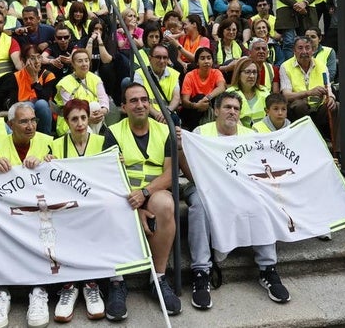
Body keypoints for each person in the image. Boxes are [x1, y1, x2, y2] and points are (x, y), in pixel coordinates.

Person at [182, 91, 290, 309]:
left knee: (262, 200)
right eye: (227, 107)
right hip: (204, 186)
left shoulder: (249, 134)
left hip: (239, 188)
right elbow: (188, 163)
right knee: (200, 206)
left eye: (236, 108)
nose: (232, 111)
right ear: (216, 111)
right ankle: (201, 271)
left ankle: (268, 269)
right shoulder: (200, 132)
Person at [102, 83, 182, 319]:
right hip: (123, 196)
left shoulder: (165, 130)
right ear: (124, 107)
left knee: (166, 204)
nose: (140, 105)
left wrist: (145, 195)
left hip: (151, 193)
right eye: (133, 101)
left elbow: (169, 174)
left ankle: (157, 278)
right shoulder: (113, 132)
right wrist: (135, 210)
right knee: (109, 206)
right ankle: (116, 281)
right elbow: (109, 175)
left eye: (144, 100)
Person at [0, 102, 55, 328]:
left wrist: (48, 164)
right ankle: (0, 292)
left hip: (43, 210)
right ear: (10, 124)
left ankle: (39, 289)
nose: (30, 125)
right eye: (24, 121)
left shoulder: (50, 143)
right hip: (11, 213)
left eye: (33, 120)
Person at [47, 99, 107, 323]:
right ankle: (69, 286)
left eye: (83, 117)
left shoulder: (103, 141)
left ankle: (92, 284)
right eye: (74, 119)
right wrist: (47, 162)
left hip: (94, 206)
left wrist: (116, 161)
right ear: (66, 122)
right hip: (67, 207)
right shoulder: (56, 145)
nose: (80, 123)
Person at [280, 36, 339, 144]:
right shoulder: (285, 66)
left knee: (335, 106)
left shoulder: (321, 66)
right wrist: (309, 93)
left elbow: (328, 88)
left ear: (313, 50)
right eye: (300, 48)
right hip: (297, 110)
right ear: (294, 50)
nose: (304, 51)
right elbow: (286, 95)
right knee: (300, 105)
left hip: (318, 107)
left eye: (307, 48)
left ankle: (337, 149)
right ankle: (312, 141)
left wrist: (331, 97)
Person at [55, 49, 109, 135]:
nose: (84, 64)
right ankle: (93, 140)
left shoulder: (95, 79)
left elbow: (103, 100)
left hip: (93, 118)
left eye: (86, 60)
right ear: (73, 64)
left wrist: (102, 111)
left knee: (95, 106)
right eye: (80, 61)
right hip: (73, 121)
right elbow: (70, 109)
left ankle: (94, 138)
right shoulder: (64, 83)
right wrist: (86, 117)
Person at [10, 44, 56, 135]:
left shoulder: (48, 75)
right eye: (32, 58)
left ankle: (46, 138)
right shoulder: (17, 76)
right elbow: (11, 99)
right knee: (27, 105)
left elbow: (44, 98)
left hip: (44, 112)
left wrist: (35, 78)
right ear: (24, 60)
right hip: (22, 112)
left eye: (38, 57)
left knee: (41, 103)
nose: (36, 62)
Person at [180, 46, 226, 131]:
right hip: (193, 110)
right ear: (197, 62)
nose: (206, 61)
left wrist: (207, 98)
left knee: (219, 98)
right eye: (202, 58)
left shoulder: (216, 72)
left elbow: (222, 87)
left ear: (212, 61)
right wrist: (196, 105)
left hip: (210, 105)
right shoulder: (190, 75)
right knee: (199, 97)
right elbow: (185, 101)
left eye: (209, 58)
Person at [133, 44, 181, 124]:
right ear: (150, 58)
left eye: (165, 58)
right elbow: (139, 98)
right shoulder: (140, 73)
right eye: (158, 57)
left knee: (174, 119)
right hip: (147, 112)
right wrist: (157, 115)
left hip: (167, 112)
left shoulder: (174, 74)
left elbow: (176, 97)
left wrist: (167, 111)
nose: (162, 61)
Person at [227, 56, 270, 128]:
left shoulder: (264, 91)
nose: (252, 76)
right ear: (239, 74)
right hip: (239, 134)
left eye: (254, 72)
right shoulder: (230, 93)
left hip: (262, 134)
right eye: (247, 72)